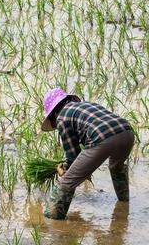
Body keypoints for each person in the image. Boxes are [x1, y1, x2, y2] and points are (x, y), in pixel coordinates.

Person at [41, 88, 135, 219]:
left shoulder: (62, 117)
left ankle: (52, 217)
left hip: (103, 138)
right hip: (127, 132)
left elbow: (73, 157)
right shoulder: (87, 105)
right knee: (116, 167)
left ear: (54, 113)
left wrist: (65, 170)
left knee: (67, 182)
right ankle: (124, 203)